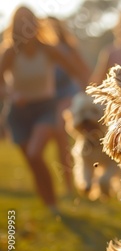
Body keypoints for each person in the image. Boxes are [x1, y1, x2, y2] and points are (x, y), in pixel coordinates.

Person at [0, 6, 89, 214]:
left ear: (35, 24)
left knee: (34, 152)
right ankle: (49, 202)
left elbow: (77, 71)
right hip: (18, 112)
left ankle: (53, 205)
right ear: (14, 26)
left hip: (45, 108)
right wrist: (11, 95)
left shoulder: (48, 49)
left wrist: (87, 94)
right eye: (20, 22)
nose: (25, 26)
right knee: (33, 162)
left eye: (29, 20)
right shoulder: (10, 52)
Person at [47, 16, 91, 196]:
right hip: (46, 98)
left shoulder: (66, 49)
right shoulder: (41, 50)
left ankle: (70, 184)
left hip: (67, 95)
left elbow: (83, 71)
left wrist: (88, 93)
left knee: (62, 137)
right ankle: (69, 181)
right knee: (59, 140)